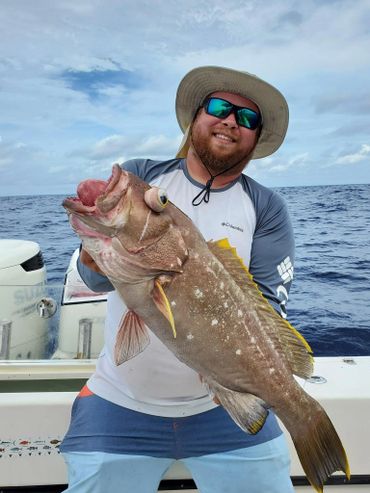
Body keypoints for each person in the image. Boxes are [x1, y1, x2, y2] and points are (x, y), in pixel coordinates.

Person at [60, 66, 295, 493]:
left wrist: (231, 372)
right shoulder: (143, 176)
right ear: (195, 118)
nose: (230, 121)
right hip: (121, 399)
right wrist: (96, 257)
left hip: (222, 410)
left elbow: (270, 308)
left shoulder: (266, 207)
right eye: (220, 108)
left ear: (256, 138)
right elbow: (93, 283)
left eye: (247, 118)